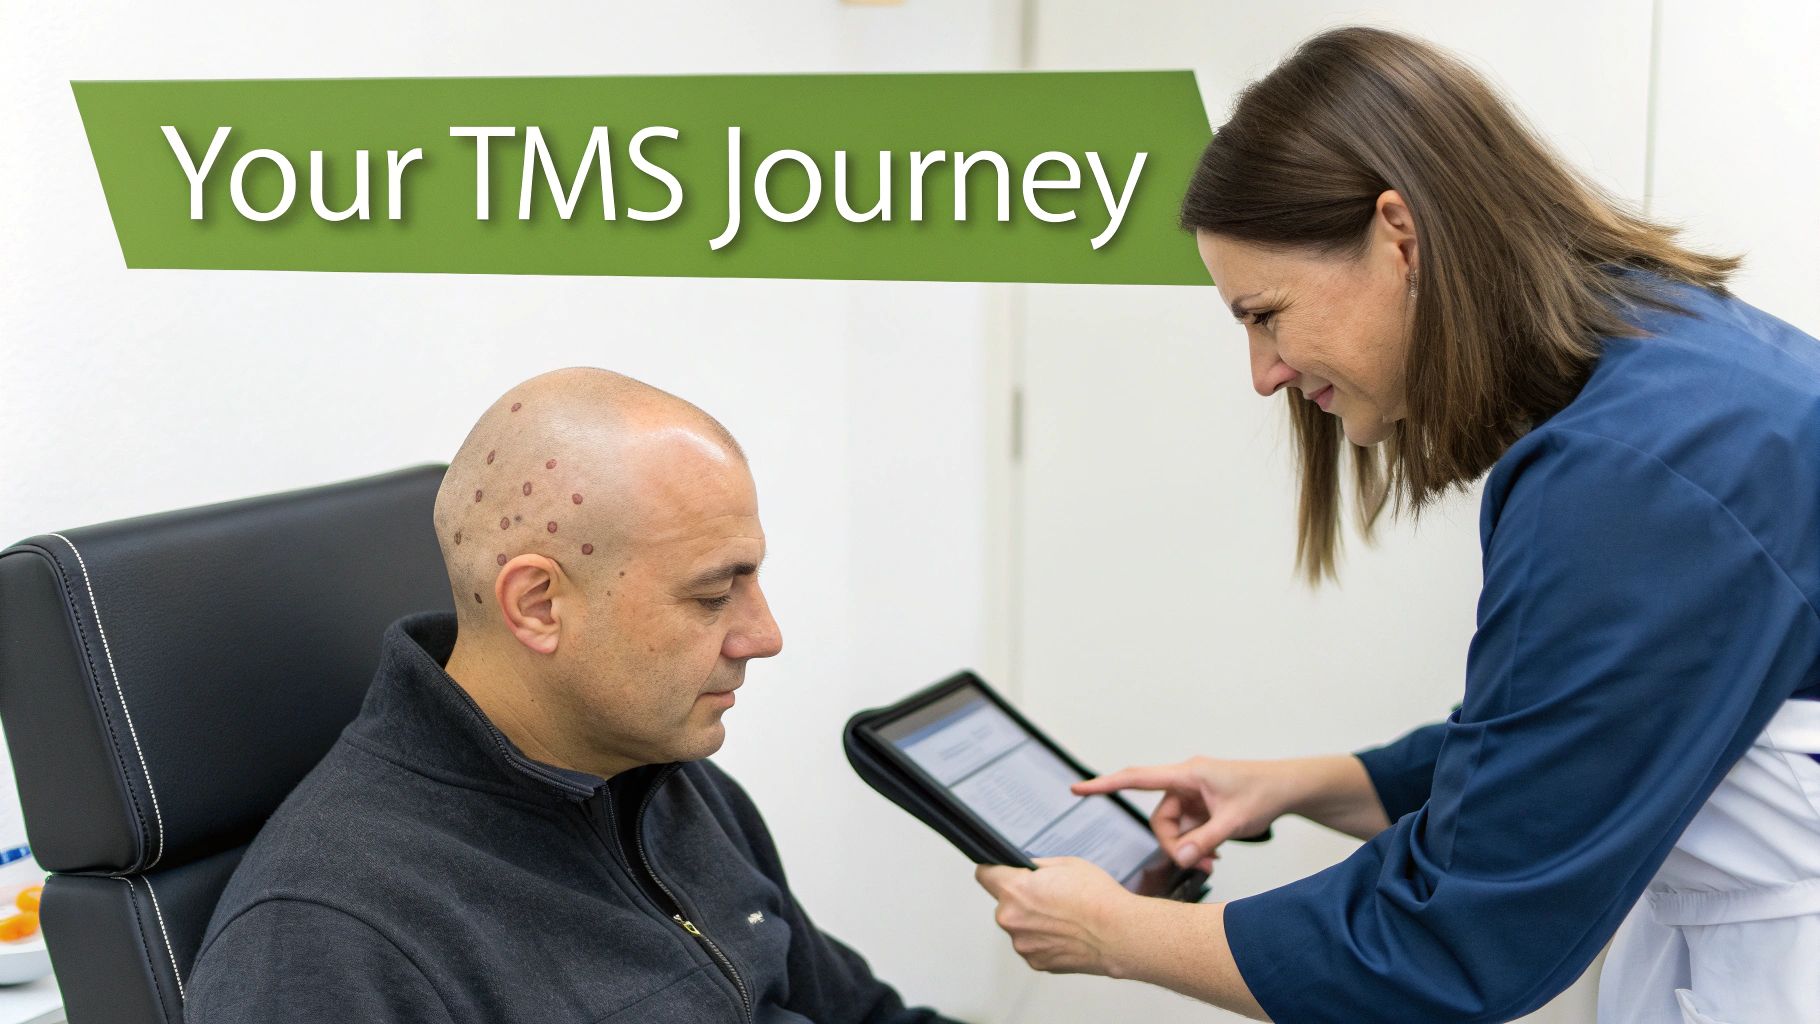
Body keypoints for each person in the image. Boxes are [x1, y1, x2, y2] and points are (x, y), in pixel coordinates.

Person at [974, 25, 1820, 1024]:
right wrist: (1302, 784)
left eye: (1264, 313)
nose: (1263, 374)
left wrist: (1116, 933)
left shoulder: (1637, 468)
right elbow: (1571, 735)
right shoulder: (1676, 377)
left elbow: (1454, 940)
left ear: (1398, 235)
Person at [186, 368, 962, 1024]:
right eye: (710, 596)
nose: (764, 636)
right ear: (538, 605)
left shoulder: (666, 779)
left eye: (751, 580)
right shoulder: (331, 937)